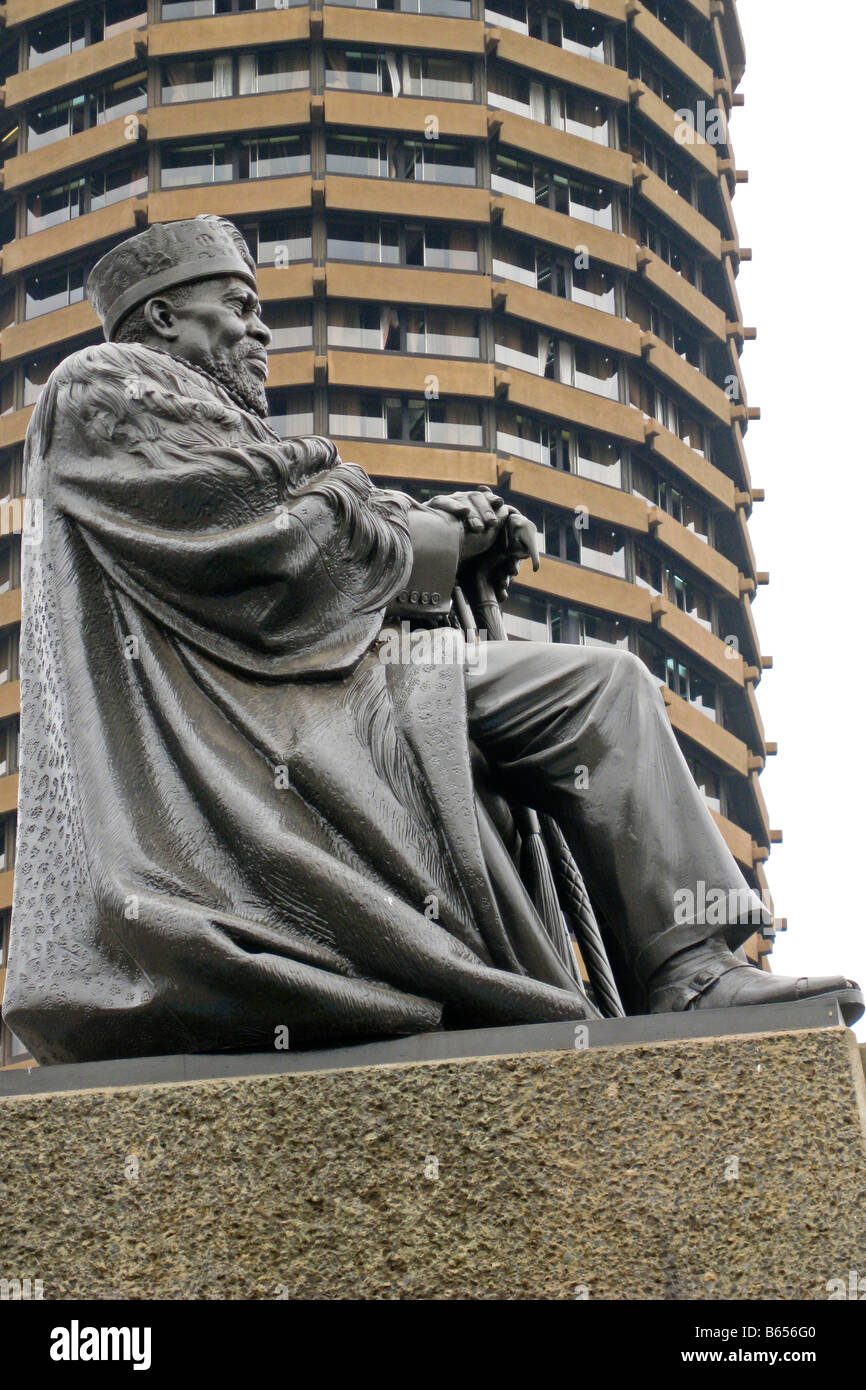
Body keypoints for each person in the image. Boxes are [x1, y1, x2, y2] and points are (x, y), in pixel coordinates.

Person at [4, 217, 859, 1065]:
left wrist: (435, 542)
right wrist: (426, 533)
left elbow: (313, 540)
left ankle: (687, 968)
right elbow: (263, 542)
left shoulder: (202, 412)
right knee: (598, 690)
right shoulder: (106, 383)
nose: (263, 328)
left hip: (324, 683)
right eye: (238, 305)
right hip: (252, 715)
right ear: (160, 317)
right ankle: (690, 973)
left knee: (597, 691)